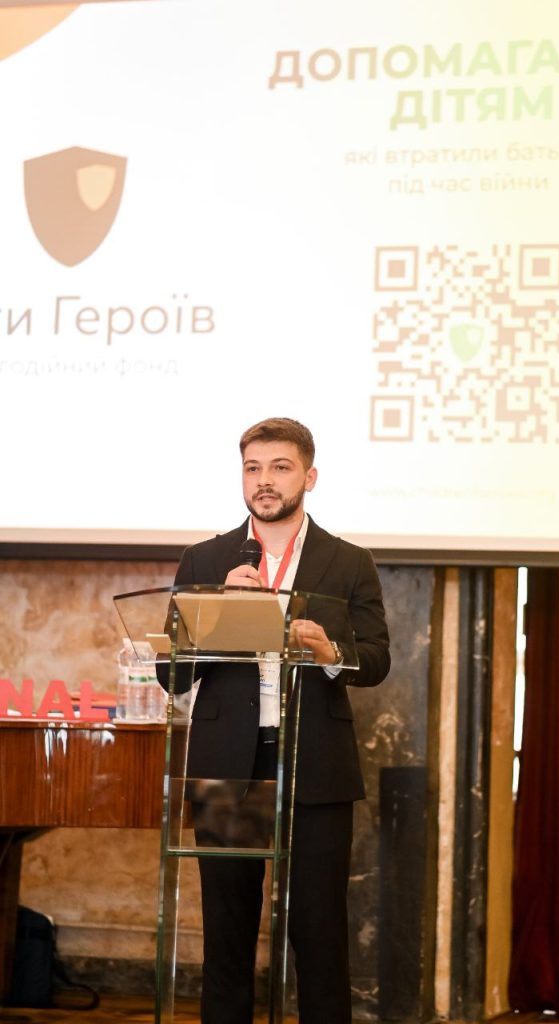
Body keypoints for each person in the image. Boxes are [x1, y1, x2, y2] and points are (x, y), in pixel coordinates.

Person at [166, 417, 391, 1024]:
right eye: (253, 468)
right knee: (227, 932)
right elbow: (172, 674)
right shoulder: (205, 559)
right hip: (227, 766)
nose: (264, 481)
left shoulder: (349, 562)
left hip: (313, 764)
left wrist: (331, 652)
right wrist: (215, 615)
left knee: (318, 931)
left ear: (309, 477)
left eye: (280, 467)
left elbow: (377, 660)